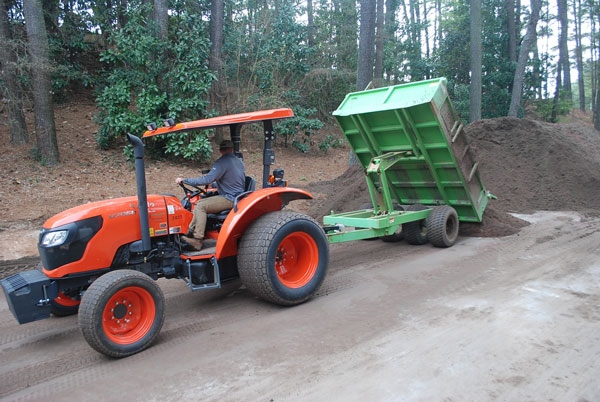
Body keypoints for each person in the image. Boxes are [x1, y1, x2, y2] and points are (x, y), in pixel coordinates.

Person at [176, 139, 246, 250]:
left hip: (229, 198)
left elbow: (206, 179)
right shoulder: (239, 162)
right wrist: (215, 183)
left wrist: (185, 180)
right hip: (238, 196)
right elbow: (229, 178)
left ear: (220, 150)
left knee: (200, 205)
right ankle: (189, 233)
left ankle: (197, 239)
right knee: (201, 202)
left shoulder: (222, 162)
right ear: (232, 149)